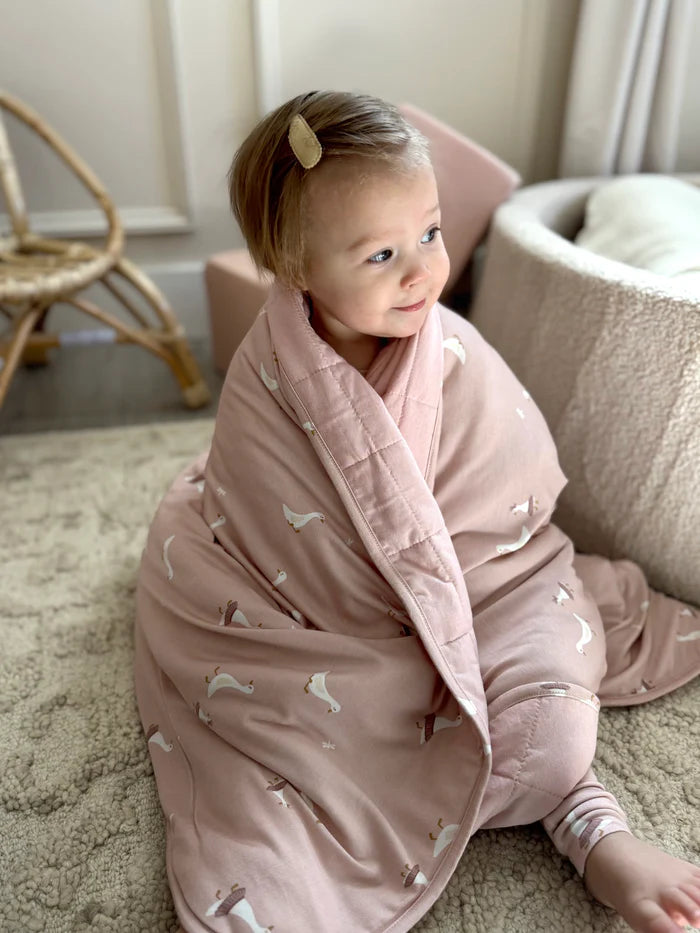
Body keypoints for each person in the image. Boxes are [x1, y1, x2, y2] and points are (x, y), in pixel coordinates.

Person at [135, 91, 700, 933]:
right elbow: (264, 516)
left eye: (430, 234)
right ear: (294, 267)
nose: (422, 272)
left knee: (549, 721)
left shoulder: (452, 349)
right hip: (333, 620)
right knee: (293, 755)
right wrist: (389, 619)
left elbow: (506, 511)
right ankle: (572, 821)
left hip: (483, 582)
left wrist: (452, 601)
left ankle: (594, 828)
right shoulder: (267, 382)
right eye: (381, 254)